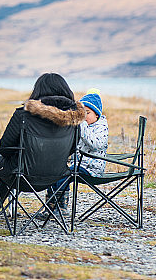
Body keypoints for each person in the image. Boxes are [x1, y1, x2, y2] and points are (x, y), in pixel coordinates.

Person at [0, 72, 85, 222]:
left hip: (23, 175)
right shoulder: (74, 118)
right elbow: (73, 149)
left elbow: (5, 148)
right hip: (56, 176)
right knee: (14, 171)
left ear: (38, 91)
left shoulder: (24, 115)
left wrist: (20, 157)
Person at [43, 88, 109, 217]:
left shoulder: (101, 127)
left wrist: (82, 125)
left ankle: (61, 208)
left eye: (87, 113)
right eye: (81, 113)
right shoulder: (81, 126)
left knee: (64, 175)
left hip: (93, 167)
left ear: (97, 114)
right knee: (55, 173)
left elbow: (95, 145)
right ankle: (50, 207)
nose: (84, 116)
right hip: (78, 163)